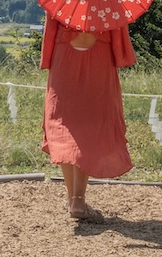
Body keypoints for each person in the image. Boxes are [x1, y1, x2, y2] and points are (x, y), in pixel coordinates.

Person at [40, 16, 135, 221]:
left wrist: (47, 59)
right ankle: (79, 199)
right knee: (90, 127)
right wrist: (120, 55)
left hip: (64, 55)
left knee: (63, 127)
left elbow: (50, 29)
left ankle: (73, 200)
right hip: (99, 56)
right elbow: (118, 29)